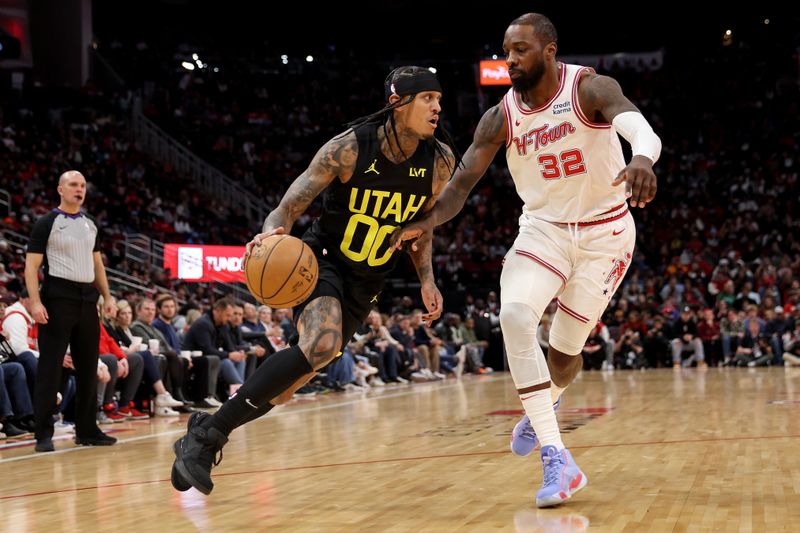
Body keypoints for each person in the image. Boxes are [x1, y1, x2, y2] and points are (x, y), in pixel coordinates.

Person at [392, 13, 661, 507]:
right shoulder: (499, 117)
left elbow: (641, 128)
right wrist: (427, 220)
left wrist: (641, 158)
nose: (510, 59)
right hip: (544, 231)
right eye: (506, 50)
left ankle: (545, 404)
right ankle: (557, 458)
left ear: (550, 51)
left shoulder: (589, 89)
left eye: (520, 50)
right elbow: (459, 187)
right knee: (515, 316)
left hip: (607, 235)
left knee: (564, 355)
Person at [171, 65, 460, 494]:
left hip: (368, 281)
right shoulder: (348, 149)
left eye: (439, 99)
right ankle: (208, 438)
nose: (438, 106)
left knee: (289, 386)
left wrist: (427, 278)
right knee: (321, 344)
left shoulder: (439, 161)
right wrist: (272, 232)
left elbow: (423, 226)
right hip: (323, 262)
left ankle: (206, 426)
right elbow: (288, 206)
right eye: (427, 98)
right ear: (398, 103)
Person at [25, 170, 118, 452]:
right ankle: (43, 433)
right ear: (60, 189)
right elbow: (31, 266)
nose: (79, 189)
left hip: (87, 300)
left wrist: (108, 296)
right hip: (57, 298)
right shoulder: (47, 222)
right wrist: (36, 302)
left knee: (89, 367)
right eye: (73, 185)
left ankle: (87, 429)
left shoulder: (90, 225)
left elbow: (98, 265)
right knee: (50, 367)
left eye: (82, 186)